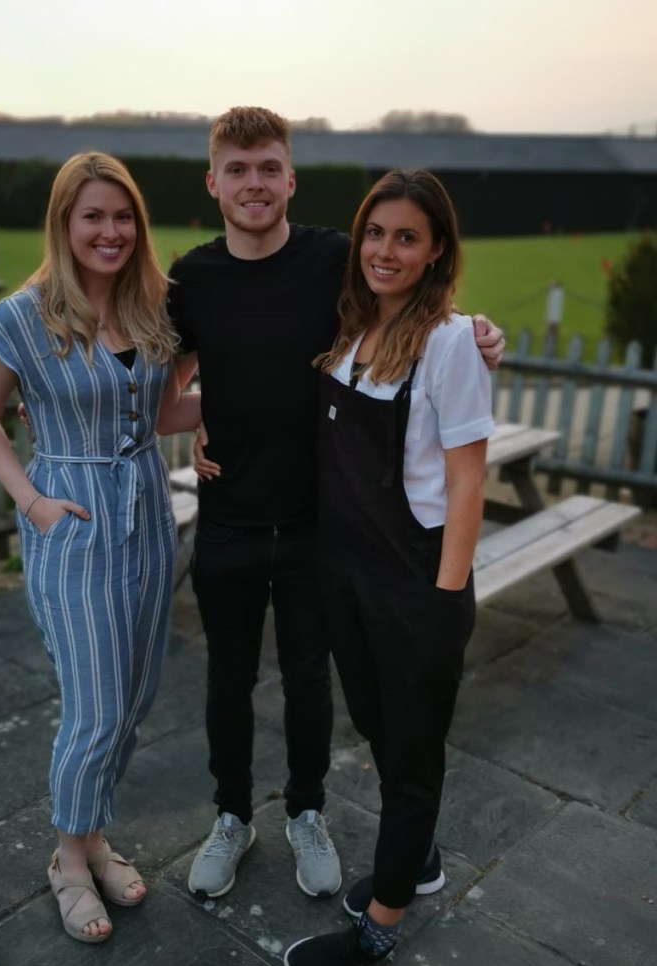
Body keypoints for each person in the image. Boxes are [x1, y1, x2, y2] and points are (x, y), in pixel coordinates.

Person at [169, 107, 504, 902]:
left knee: (310, 681)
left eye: (269, 167)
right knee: (227, 679)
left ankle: (307, 811)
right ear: (213, 181)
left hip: (319, 526)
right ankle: (231, 815)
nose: (254, 183)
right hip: (228, 517)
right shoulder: (192, 277)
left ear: (291, 178)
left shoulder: (334, 260)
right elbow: (164, 394)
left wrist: (483, 335)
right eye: (238, 169)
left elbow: (417, 313)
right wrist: (207, 417)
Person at [0, 152, 200, 944]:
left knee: (134, 698)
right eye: (93, 216)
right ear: (64, 223)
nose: (110, 231)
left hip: (149, 514)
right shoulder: (21, 317)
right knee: (95, 707)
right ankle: (68, 860)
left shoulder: (154, 306)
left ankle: (93, 836)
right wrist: (31, 501)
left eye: (123, 216)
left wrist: (243, 403)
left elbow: (163, 414)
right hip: (71, 522)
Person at [282, 169, 493, 966]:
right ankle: (421, 857)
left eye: (408, 237)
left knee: (410, 755)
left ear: (437, 249)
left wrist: (444, 601)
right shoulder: (353, 327)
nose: (386, 250)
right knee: (375, 722)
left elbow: (468, 482)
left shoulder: (450, 343)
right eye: (376, 232)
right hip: (347, 571)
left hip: (414, 581)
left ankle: (381, 924)